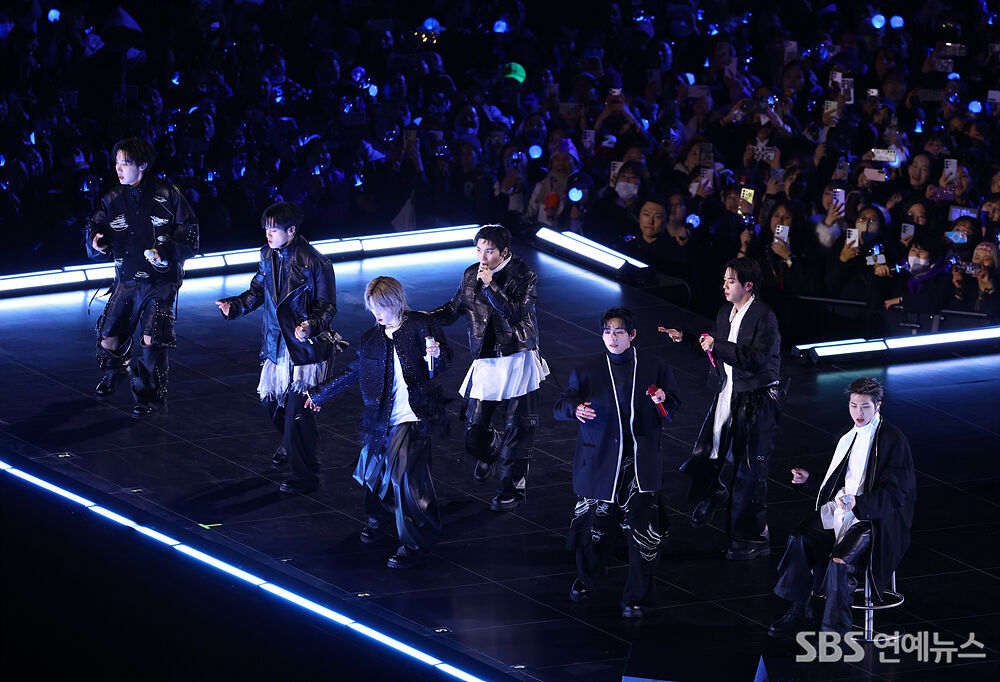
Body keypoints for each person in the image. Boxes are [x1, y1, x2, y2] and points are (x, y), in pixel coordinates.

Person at [306, 277, 451, 569]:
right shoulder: (371, 338)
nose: (377, 314)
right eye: (373, 308)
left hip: (415, 413)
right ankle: (379, 517)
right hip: (383, 415)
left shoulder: (421, 325)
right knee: (374, 471)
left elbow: (443, 361)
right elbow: (354, 371)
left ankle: (416, 541)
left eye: (381, 307)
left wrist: (437, 355)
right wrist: (320, 394)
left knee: (405, 477)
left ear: (395, 301)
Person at [554, 308, 681, 618]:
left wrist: (664, 400)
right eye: (608, 332)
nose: (612, 337)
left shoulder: (655, 366)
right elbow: (561, 405)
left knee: (642, 533)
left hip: (639, 463)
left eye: (619, 332)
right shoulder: (588, 370)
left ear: (632, 335)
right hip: (601, 463)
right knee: (595, 530)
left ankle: (637, 596)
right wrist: (575, 409)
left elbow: (674, 407)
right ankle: (588, 578)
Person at [768, 377, 915, 637]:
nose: (859, 413)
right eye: (854, 406)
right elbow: (839, 482)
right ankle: (800, 609)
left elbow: (896, 494)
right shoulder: (848, 437)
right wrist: (809, 480)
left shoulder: (893, 440)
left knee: (839, 560)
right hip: (844, 510)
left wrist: (860, 503)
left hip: (874, 520)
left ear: (878, 405)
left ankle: (834, 633)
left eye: (865, 407)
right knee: (800, 537)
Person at [214, 202, 338, 494]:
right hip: (276, 343)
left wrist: (309, 326)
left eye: (274, 230)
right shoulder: (267, 255)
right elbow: (257, 291)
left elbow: (327, 306)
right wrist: (235, 306)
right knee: (270, 402)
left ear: (291, 231)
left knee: (297, 411)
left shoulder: (316, 263)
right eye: (266, 229)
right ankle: (294, 443)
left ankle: (307, 475)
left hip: (304, 349)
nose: (268, 235)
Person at [429, 224, 548, 512]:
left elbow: (515, 312)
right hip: (486, 359)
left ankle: (512, 489)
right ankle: (489, 452)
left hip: (518, 355)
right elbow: (454, 308)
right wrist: (421, 317)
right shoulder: (471, 274)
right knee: (475, 429)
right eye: (479, 250)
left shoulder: (524, 274)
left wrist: (491, 284)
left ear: (504, 252)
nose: (483, 257)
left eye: (490, 251)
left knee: (518, 428)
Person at [674, 257, 783, 560]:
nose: (724, 286)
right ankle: (714, 492)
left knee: (750, 471)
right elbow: (715, 350)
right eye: (724, 280)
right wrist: (687, 339)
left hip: (758, 398)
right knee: (705, 453)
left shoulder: (764, 316)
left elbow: (755, 358)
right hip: (729, 391)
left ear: (748, 286)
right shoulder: (725, 312)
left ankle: (751, 537)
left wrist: (717, 346)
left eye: (730, 281)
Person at [86, 136, 199, 415]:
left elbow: (189, 231)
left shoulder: (168, 194)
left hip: (160, 281)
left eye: (126, 163)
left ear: (143, 165)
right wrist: (95, 240)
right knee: (108, 336)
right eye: (117, 163)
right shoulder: (112, 198)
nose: (119, 169)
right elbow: (96, 226)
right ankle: (116, 370)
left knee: (152, 339)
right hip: (127, 278)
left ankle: (150, 397)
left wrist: (166, 251)